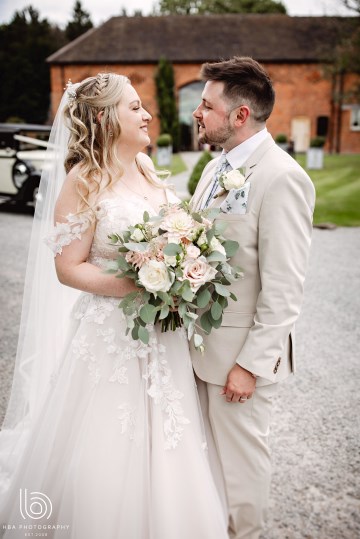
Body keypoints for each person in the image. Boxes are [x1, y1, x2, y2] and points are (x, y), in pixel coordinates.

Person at [0, 73, 228, 538]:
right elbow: (68, 268)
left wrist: (183, 267)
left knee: (170, 439)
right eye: (135, 107)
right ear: (104, 118)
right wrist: (137, 286)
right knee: (107, 445)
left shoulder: (145, 167)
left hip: (164, 338)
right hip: (111, 339)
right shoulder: (84, 180)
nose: (147, 115)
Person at [190, 57, 315, 539]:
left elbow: (284, 289)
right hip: (199, 352)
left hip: (239, 363)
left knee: (241, 472)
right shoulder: (214, 167)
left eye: (206, 105)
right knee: (206, 465)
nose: (198, 113)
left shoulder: (281, 177)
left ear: (240, 116)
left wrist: (251, 364)